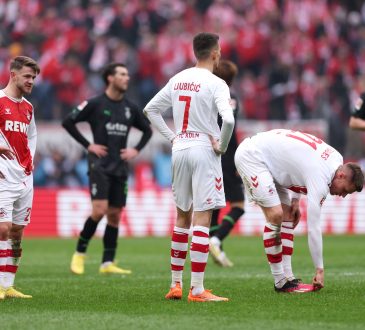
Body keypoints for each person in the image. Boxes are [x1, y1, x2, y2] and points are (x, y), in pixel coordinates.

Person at [144, 32, 235, 302]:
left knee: (182, 217)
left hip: (180, 149)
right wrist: (223, 146)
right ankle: (197, 290)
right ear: (216, 53)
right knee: (202, 219)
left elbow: (150, 109)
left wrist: (172, 137)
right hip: (204, 150)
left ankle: (175, 284)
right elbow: (228, 121)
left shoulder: (178, 78)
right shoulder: (216, 83)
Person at [234, 129, 364, 293]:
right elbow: (314, 228)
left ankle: (288, 277)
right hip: (252, 156)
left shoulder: (336, 158)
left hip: (270, 160)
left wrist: (295, 199)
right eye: (345, 190)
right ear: (341, 176)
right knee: (276, 215)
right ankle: (280, 281)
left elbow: (301, 163)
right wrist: (320, 269)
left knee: (288, 214)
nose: (343, 196)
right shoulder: (321, 178)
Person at [62, 63, 152, 275]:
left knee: (114, 215)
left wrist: (135, 150)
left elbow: (147, 131)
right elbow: (68, 121)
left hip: (120, 166)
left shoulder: (131, 108)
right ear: (110, 78)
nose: (126, 78)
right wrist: (88, 145)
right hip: (99, 164)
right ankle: (79, 253)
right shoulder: (95, 103)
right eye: (122, 74)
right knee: (99, 210)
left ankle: (107, 263)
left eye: (127, 74)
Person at [0, 56, 40, 299]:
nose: (31, 81)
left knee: (17, 231)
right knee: (2, 229)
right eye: (27, 76)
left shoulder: (28, 107)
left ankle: (8, 285)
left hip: (24, 176)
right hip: (3, 175)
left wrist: (30, 158)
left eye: (33, 78)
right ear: (13, 74)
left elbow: (32, 135)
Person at [209, 60, 245, 268]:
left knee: (214, 206)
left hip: (209, 154)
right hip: (228, 156)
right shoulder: (232, 98)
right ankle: (216, 240)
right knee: (238, 205)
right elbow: (231, 132)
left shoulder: (208, 96)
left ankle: (216, 248)